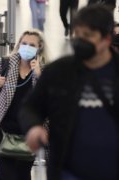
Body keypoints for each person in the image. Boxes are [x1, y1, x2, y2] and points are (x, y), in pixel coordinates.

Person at [20, 5, 119, 180]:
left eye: (88, 36)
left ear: (106, 39)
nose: (80, 40)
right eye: (77, 34)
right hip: (67, 172)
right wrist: (34, 127)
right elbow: (30, 107)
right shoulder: (58, 72)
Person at [0, 29, 47, 180]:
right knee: (5, 174)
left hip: (28, 135)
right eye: (24, 43)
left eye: (32, 45)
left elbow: (51, 98)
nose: (27, 47)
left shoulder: (43, 70)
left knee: (23, 175)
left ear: (39, 48)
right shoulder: (5, 63)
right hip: (1, 131)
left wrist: (40, 76)